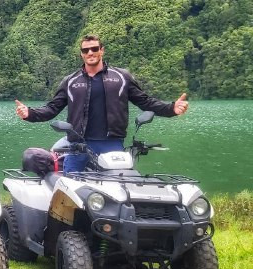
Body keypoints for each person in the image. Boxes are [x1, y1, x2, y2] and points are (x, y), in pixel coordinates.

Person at [14, 34, 189, 172]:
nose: (90, 53)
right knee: (69, 192)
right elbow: (52, 109)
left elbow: (145, 102)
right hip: (78, 145)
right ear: (81, 54)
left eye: (94, 48)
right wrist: (29, 113)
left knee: (118, 190)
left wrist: (171, 108)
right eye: (86, 50)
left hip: (111, 143)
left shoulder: (121, 77)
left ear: (101, 50)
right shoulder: (71, 81)